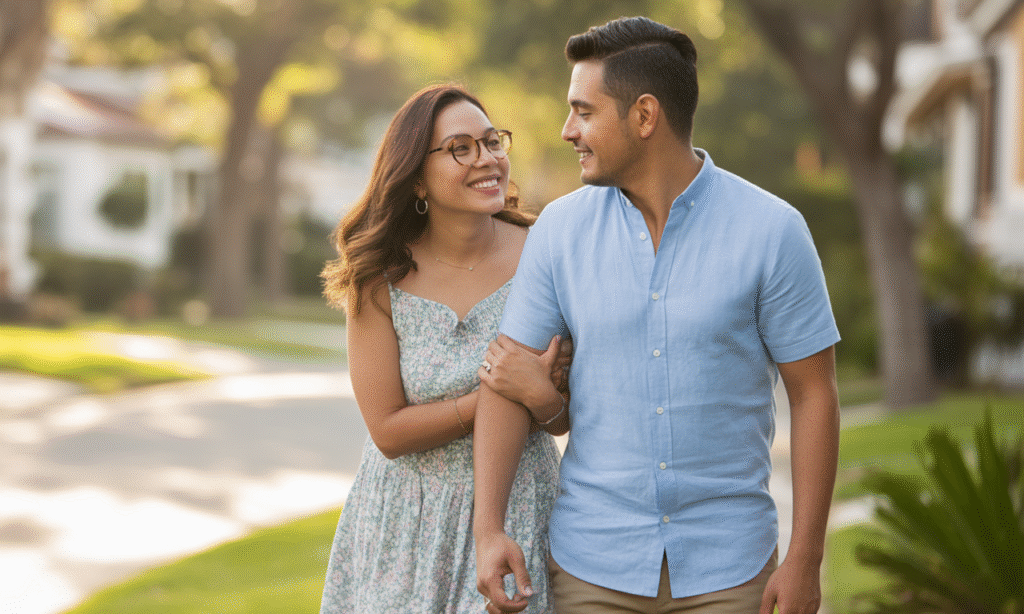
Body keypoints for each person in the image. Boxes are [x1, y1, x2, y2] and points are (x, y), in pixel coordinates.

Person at [474, 16, 841, 614]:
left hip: (730, 568)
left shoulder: (773, 231)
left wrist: (805, 558)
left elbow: (815, 395)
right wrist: (488, 530)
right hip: (592, 564)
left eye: (584, 111)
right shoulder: (559, 233)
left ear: (645, 117)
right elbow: (505, 381)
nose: (568, 130)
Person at [319, 84, 570, 614]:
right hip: (405, 520)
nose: (487, 160)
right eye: (461, 148)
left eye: (492, 142)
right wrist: (493, 400)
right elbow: (387, 430)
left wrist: (540, 397)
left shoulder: (547, 255)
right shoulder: (378, 277)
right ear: (415, 178)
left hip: (518, 510)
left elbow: (564, 416)